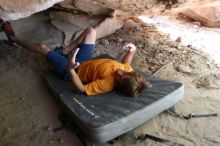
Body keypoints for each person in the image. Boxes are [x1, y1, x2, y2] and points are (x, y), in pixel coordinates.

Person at [2, 21, 150, 97]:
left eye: (121, 78)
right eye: (126, 73)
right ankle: (65, 50)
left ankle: (13, 38)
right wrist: (133, 50)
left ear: (119, 85)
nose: (120, 72)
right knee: (91, 31)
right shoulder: (127, 71)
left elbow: (81, 90)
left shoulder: (107, 84)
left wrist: (71, 69)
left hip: (73, 69)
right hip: (84, 59)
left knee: (42, 47)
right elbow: (126, 64)